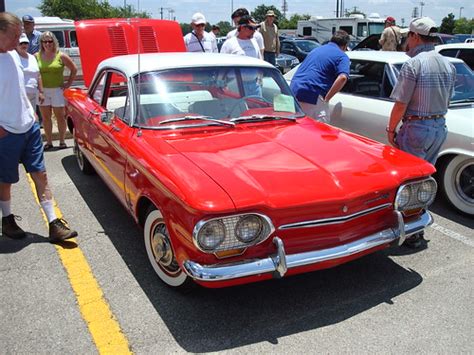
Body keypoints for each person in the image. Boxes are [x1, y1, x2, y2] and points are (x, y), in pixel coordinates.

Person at [0, 12, 78, 242]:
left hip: (29, 126)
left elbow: (21, 87)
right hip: (6, 131)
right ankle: (7, 219)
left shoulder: (15, 56)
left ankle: (54, 224)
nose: (19, 41)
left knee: (41, 174)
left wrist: (32, 116)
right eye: (15, 35)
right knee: (6, 180)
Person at [387, 17, 456, 248]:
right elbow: (450, 97)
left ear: (415, 36)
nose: (407, 40)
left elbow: (400, 103)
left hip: (417, 127)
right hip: (439, 126)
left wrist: (391, 129)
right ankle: (418, 226)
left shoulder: (414, 64)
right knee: (426, 178)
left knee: (410, 181)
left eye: (409, 36)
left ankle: (411, 230)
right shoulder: (448, 64)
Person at [290, 30, 350, 123]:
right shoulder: (342, 56)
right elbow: (342, 77)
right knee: (319, 131)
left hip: (294, 89)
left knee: (299, 128)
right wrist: (327, 98)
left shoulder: (316, 50)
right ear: (345, 46)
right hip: (313, 93)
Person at [36, 31, 77, 150]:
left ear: (54, 42)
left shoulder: (61, 55)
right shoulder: (36, 56)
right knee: (46, 118)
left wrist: (68, 83)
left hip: (57, 90)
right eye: (45, 41)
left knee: (60, 116)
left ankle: (62, 141)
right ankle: (49, 142)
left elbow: (73, 69)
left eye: (50, 41)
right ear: (41, 43)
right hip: (43, 91)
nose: (47, 44)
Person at [12, 33, 44, 111]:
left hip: (33, 94)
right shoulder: (14, 58)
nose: (24, 45)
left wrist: (41, 92)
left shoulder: (32, 57)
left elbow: (38, 75)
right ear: (16, 45)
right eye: (21, 43)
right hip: (20, 95)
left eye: (26, 43)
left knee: (33, 117)